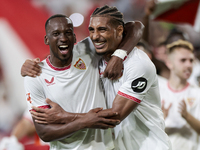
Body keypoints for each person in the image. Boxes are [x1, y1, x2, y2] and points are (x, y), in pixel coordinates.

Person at [22, 5, 171, 150]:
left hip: (148, 145)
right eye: (91, 30)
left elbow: (114, 116)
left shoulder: (138, 64)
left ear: (119, 30)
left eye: (102, 29)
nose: (94, 36)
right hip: (116, 145)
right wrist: (27, 66)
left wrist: (65, 116)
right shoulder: (89, 49)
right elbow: (44, 132)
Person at [160, 39, 200, 150]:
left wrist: (187, 116)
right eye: (183, 60)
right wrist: (160, 119)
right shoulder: (158, 91)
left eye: (191, 61)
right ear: (169, 63)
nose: (188, 65)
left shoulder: (197, 93)